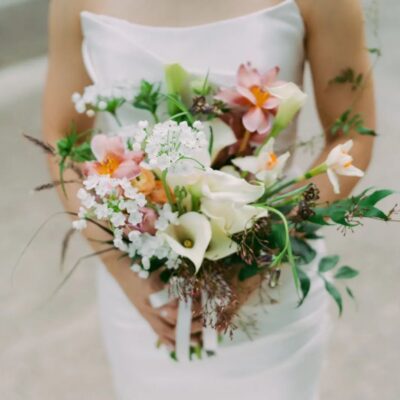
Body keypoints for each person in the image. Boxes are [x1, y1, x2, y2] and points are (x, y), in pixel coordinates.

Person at [43, 0, 375, 399]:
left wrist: (262, 254)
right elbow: (61, 138)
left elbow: (352, 134)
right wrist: (128, 276)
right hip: (145, 292)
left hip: (270, 291)